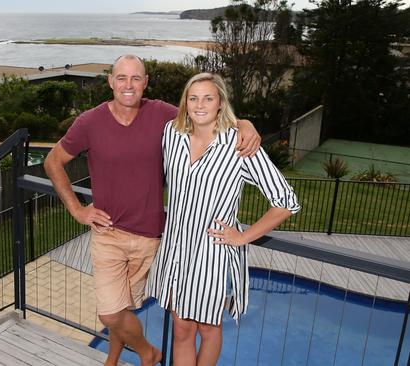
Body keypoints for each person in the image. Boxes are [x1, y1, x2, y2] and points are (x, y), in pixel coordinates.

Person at [44, 55, 261, 366]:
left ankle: (114, 356)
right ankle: (149, 352)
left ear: (145, 83)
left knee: (124, 309)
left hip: (150, 238)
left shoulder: (162, 114)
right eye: (121, 78)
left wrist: (243, 123)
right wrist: (77, 210)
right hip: (108, 234)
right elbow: (53, 162)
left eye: (135, 79)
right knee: (110, 312)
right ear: (110, 82)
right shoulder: (89, 121)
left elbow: (204, 116)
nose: (128, 85)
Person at [147, 73, 301, 366]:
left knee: (207, 327)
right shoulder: (172, 133)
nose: (200, 104)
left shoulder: (240, 146)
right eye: (193, 98)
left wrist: (243, 236)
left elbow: (286, 201)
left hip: (211, 253)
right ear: (185, 102)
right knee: (181, 328)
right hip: (175, 248)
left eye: (208, 98)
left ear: (220, 103)